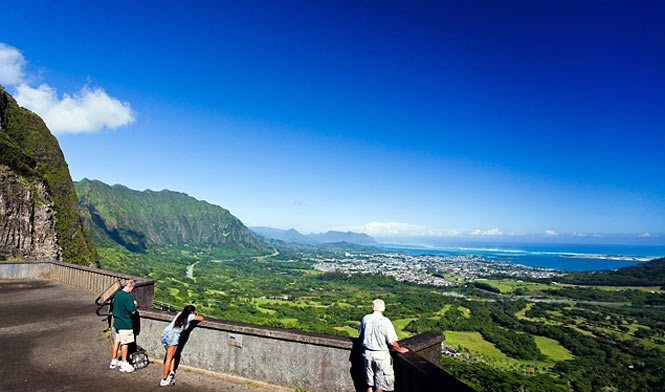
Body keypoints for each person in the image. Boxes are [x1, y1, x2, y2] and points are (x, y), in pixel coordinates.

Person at [358, 299, 408, 392]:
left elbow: (360, 336)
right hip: (381, 356)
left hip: (368, 354)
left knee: (369, 384)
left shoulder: (366, 318)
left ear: (372, 307)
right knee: (380, 385)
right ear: (383, 308)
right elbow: (391, 342)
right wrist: (399, 349)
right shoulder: (385, 321)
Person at [160, 305, 204, 386]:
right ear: (192, 311)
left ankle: (171, 371)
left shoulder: (180, 313)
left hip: (165, 334)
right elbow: (201, 318)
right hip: (173, 336)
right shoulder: (190, 316)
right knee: (169, 358)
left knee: (173, 355)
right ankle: (164, 379)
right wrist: (195, 315)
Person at [109, 280, 138, 373]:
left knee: (117, 341)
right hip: (125, 323)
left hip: (117, 321)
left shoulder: (117, 294)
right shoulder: (128, 297)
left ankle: (113, 360)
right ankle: (124, 363)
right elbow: (132, 311)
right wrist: (135, 305)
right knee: (125, 343)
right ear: (130, 287)